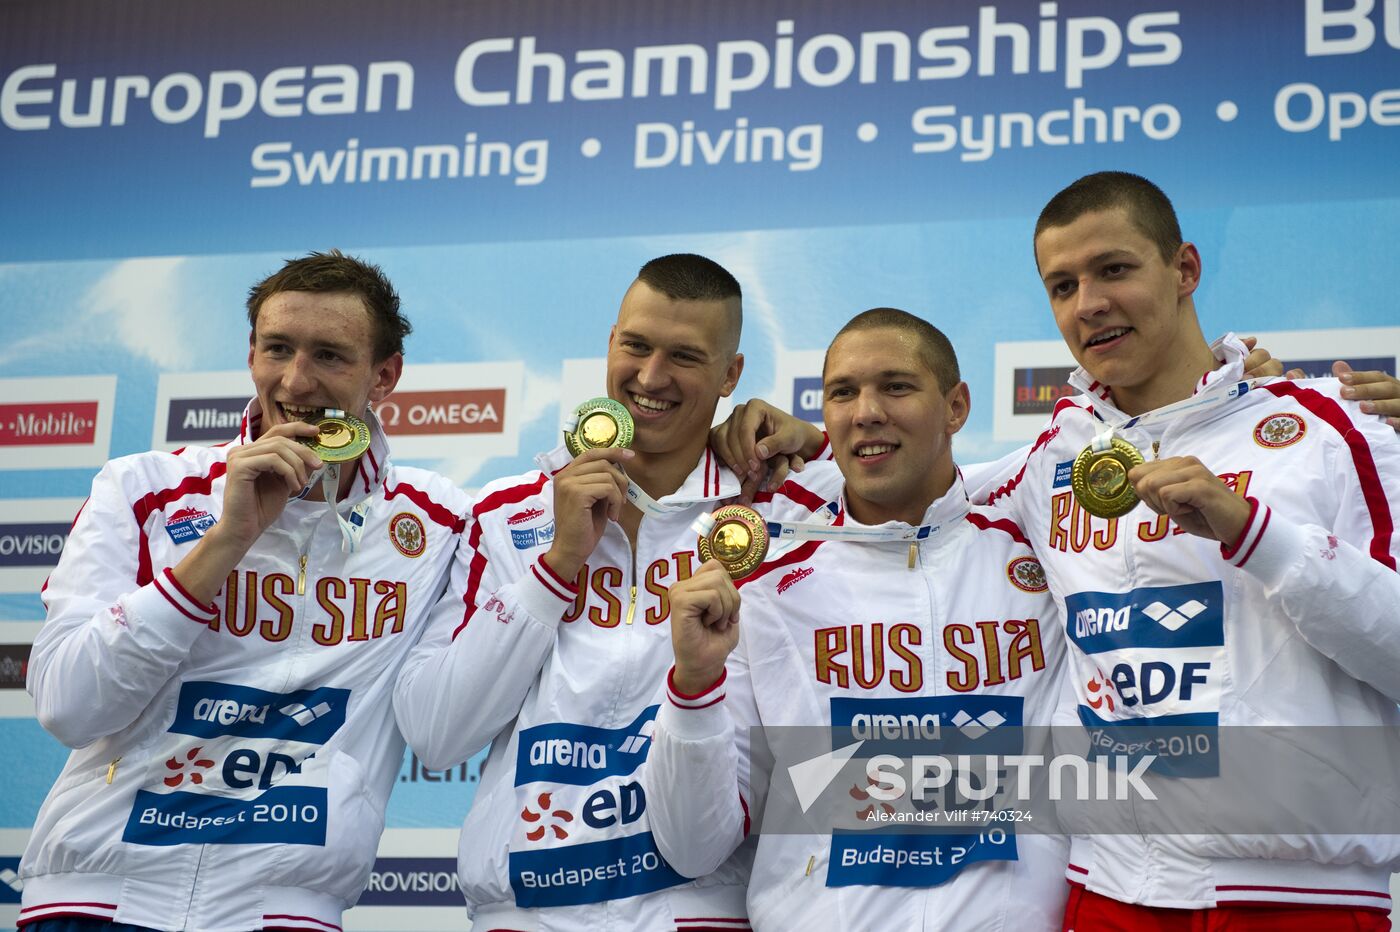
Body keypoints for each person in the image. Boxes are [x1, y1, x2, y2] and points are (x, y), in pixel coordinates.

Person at [981, 171, 1400, 928]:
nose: (1088, 304)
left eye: (1114, 269)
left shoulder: (1338, 431)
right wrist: (799, 442)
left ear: (1184, 270)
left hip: (1296, 899)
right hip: (1107, 893)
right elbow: (905, 495)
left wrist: (1256, 535)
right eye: (1062, 285)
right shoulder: (1045, 464)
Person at [20, 251, 472, 932]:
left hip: (279, 908)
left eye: (329, 356)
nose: (296, 380)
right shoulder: (142, 489)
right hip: (99, 895)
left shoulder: (438, 525)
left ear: (386, 375)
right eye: (278, 349)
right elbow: (68, 706)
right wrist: (226, 540)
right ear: (251, 352)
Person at [393, 254, 819, 932]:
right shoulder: (508, 515)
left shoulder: (776, 515)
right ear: (610, 342)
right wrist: (557, 566)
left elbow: (922, 501)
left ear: (731, 376)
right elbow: (436, 733)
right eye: (637, 345)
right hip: (525, 909)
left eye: (685, 355)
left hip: (692, 908)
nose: (650, 377)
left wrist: (817, 440)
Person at [647, 308, 1071, 930]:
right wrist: (691, 688)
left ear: (956, 407)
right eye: (842, 393)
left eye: (895, 386)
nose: (865, 410)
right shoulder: (762, 583)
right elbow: (691, 846)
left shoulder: (1037, 540)